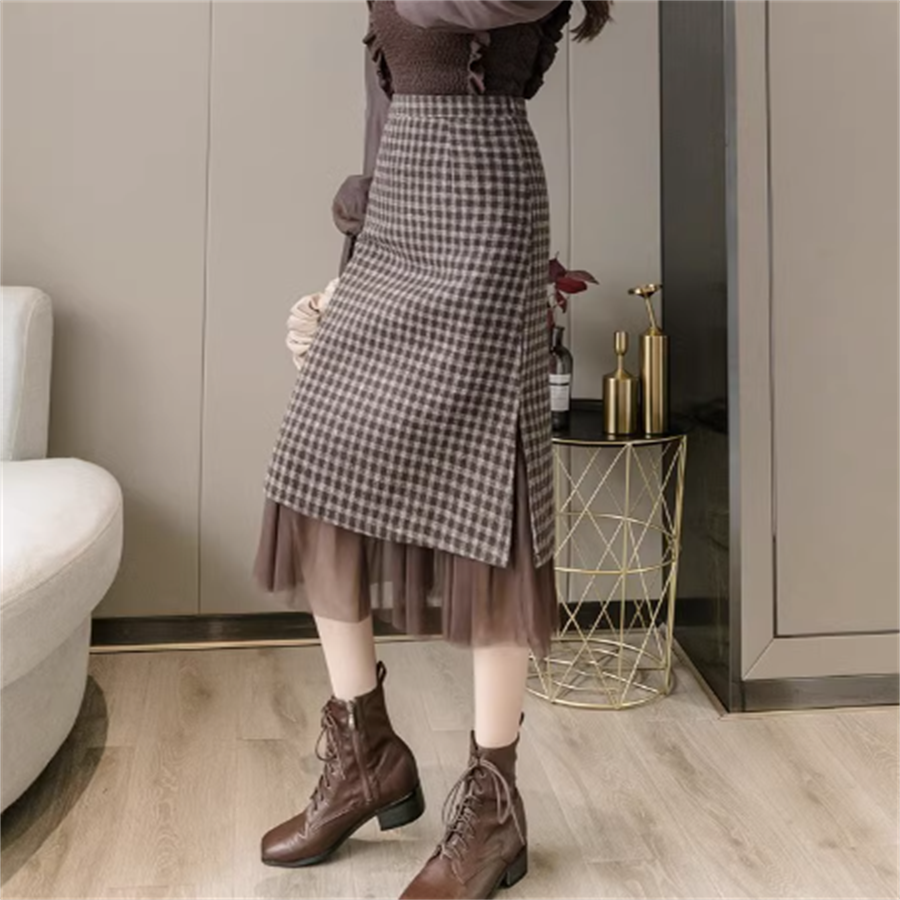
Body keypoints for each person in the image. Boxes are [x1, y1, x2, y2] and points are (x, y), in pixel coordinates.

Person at [253, 2, 612, 897]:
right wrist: (349, 273)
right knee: (313, 469)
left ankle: (493, 808)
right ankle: (365, 753)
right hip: (397, 217)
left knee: (496, 497)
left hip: (486, 216)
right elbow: (384, 102)